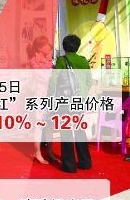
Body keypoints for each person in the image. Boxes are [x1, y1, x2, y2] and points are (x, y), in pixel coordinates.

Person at [54, 34, 92, 173]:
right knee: (80, 130)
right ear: (77, 46)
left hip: (65, 101)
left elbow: (53, 81)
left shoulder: (61, 60)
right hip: (79, 101)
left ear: (64, 47)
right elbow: (89, 82)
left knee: (66, 132)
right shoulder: (83, 61)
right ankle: (85, 162)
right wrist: (82, 96)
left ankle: (69, 166)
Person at [25, 36, 57, 164]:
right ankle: (38, 153)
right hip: (38, 96)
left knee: (49, 124)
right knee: (38, 125)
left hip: (48, 96)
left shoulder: (48, 61)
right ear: (39, 48)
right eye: (46, 45)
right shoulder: (33, 62)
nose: (49, 47)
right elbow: (45, 79)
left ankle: (49, 152)